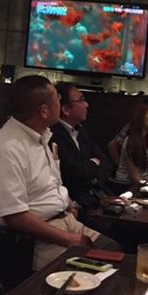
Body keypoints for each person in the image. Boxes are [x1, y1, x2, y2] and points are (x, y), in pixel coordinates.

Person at [0, 75, 120, 270]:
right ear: (44, 111)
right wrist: (68, 239)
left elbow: (51, 183)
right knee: (93, 273)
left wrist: (70, 207)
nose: (60, 102)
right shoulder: (6, 148)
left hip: (64, 219)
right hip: (33, 238)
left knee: (113, 250)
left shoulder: (41, 136)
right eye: (57, 98)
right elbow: (16, 217)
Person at [51, 83, 112, 219]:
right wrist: (93, 164)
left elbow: (106, 163)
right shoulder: (53, 135)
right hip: (77, 206)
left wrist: (90, 170)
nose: (86, 105)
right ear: (65, 109)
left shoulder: (81, 131)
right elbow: (74, 174)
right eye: (81, 100)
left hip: (98, 197)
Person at [112, 103, 148, 189]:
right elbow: (134, 177)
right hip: (125, 187)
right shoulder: (131, 142)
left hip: (141, 184)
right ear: (141, 118)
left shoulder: (147, 141)